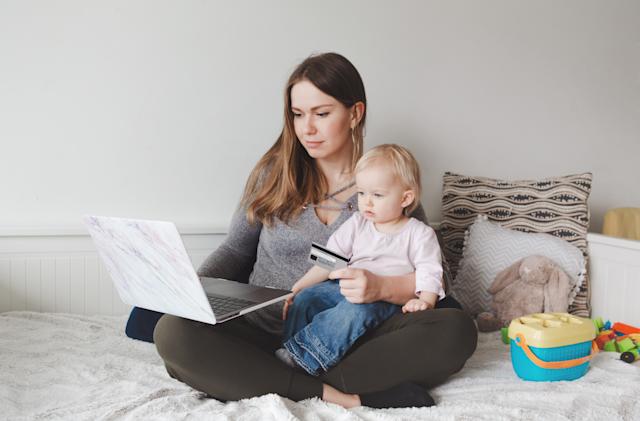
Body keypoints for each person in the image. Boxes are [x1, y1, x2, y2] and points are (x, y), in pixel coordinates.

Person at [148, 52, 477, 409]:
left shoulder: (387, 188)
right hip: (267, 329)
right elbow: (235, 252)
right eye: (298, 114)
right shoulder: (272, 176)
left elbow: (434, 277)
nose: (307, 128)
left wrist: (382, 286)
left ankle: (263, 379)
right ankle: (341, 396)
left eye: (321, 114)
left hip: (356, 334)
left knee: (456, 331)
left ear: (355, 113)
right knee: (173, 332)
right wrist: (190, 294)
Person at [277, 144, 446, 377]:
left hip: (382, 299)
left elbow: (430, 271)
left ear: (405, 198)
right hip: (344, 287)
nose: (366, 202)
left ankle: (306, 359)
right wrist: (298, 286)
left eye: (377, 195)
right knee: (307, 299)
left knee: (353, 312)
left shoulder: (419, 233)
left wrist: (425, 301)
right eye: (361, 193)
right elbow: (329, 259)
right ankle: (288, 351)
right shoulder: (358, 223)